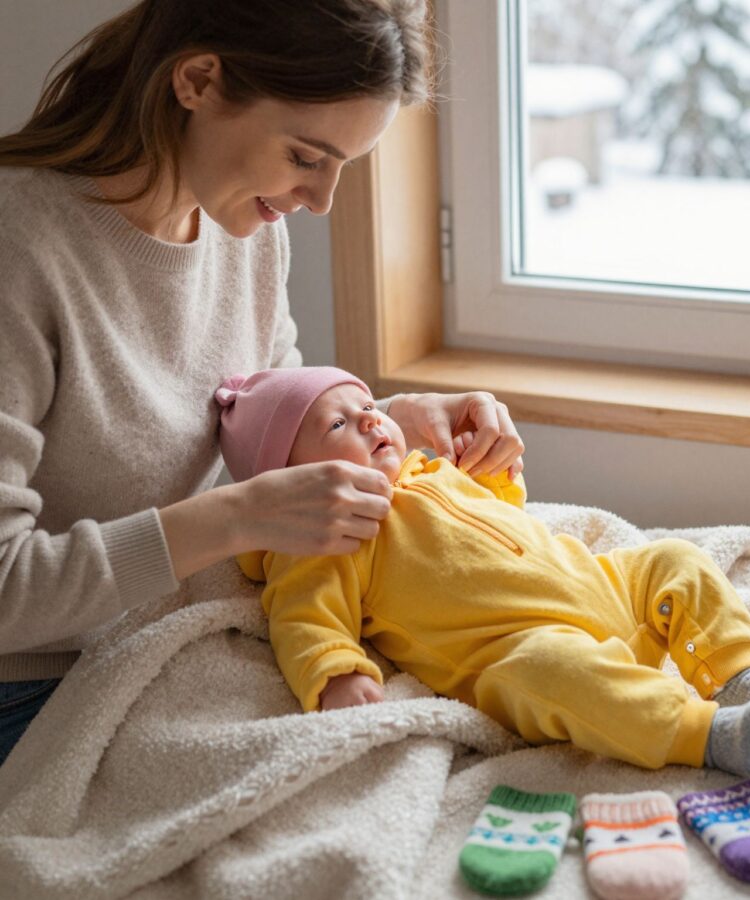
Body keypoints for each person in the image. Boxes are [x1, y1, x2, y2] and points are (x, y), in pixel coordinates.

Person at [0, 0, 525, 767]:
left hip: (157, 637)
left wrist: (389, 423)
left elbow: (265, 427)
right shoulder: (20, 249)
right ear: (198, 81)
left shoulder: (244, 232)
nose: (321, 201)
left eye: (344, 166)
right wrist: (232, 518)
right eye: (307, 158)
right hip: (29, 689)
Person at [218, 367, 750, 777]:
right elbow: (303, 617)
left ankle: (738, 674)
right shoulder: (323, 538)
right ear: (292, 484)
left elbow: (504, 514)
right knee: (554, 674)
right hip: (523, 642)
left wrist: (493, 476)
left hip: (599, 583)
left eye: (366, 406)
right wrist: (335, 675)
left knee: (675, 559)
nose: (373, 420)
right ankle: (707, 734)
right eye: (338, 424)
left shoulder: (427, 471)